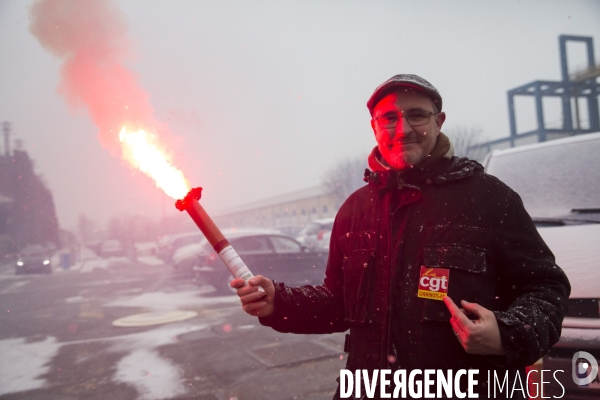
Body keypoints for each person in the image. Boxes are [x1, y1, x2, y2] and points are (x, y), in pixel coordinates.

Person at [232, 74, 570, 399]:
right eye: (389, 118)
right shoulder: (354, 211)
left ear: (439, 121)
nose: (404, 129)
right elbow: (339, 303)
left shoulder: (490, 199)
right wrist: (280, 302)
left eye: (417, 115)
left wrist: (506, 334)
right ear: (375, 127)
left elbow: (544, 287)